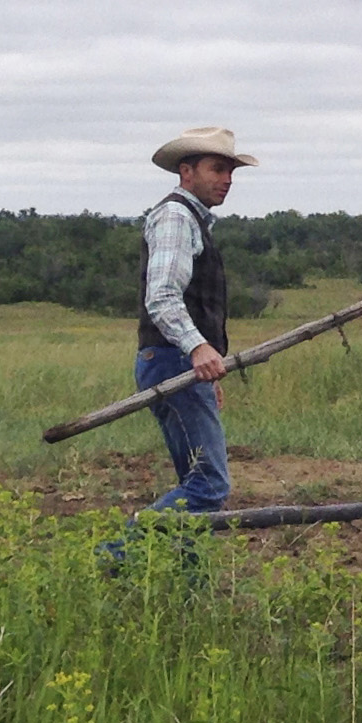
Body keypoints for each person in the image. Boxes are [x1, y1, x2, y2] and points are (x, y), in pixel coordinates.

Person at [134, 127, 258, 516]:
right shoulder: (175, 216)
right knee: (208, 485)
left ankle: (189, 577)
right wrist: (197, 348)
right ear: (186, 171)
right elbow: (163, 296)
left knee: (196, 483)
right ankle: (115, 556)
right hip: (172, 359)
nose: (227, 180)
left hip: (178, 362)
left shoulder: (193, 219)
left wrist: (203, 364)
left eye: (231, 172)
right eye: (217, 169)